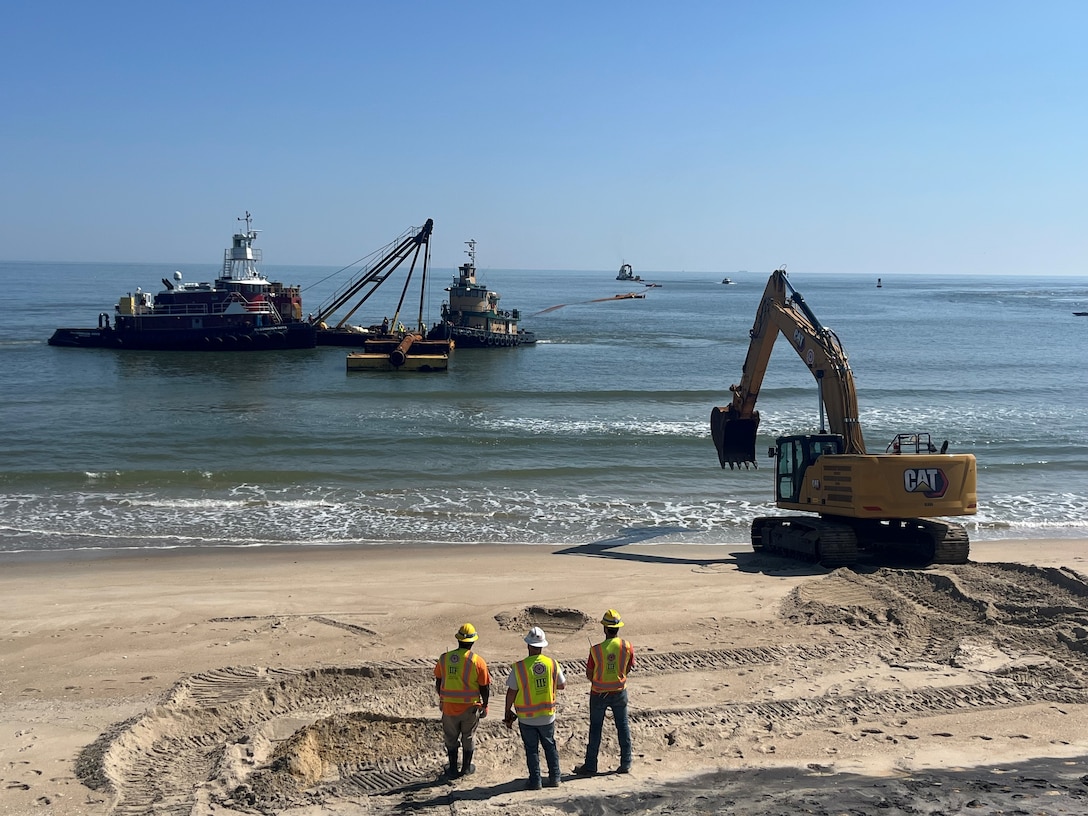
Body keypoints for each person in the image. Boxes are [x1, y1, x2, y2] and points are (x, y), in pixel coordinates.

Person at [574, 609, 635, 776]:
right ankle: (626, 762)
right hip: (619, 691)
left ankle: (591, 765)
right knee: (622, 726)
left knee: (595, 728)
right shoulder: (627, 646)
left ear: (605, 629)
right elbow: (628, 667)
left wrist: (599, 680)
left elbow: (589, 673)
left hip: (599, 693)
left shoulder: (596, 650)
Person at [504, 626, 566, 790]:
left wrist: (507, 711)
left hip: (526, 717)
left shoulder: (519, 667)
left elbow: (511, 691)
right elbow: (562, 685)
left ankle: (535, 781)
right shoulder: (552, 663)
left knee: (532, 750)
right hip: (547, 715)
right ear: (542, 646)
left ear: (528, 645)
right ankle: (555, 778)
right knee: (549, 746)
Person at [434, 623, 490, 777]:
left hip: (449, 708)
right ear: (472, 642)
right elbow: (484, 687)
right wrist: (485, 705)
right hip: (470, 708)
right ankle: (466, 768)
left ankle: (452, 768)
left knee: (450, 738)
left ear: (458, 640)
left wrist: (443, 698)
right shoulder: (478, 661)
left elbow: (438, 681)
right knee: (469, 736)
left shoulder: (444, 658)